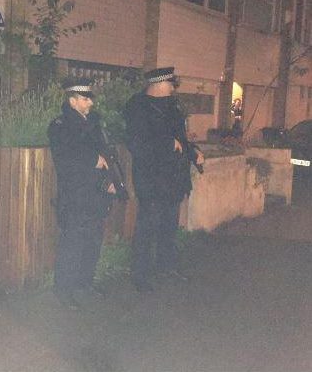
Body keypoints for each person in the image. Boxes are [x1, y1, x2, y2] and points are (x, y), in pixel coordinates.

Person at [124, 67, 204, 292]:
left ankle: (166, 267)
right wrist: (167, 144)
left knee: (168, 228)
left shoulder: (173, 107)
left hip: (173, 180)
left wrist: (193, 151)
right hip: (152, 181)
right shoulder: (137, 107)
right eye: (171, 84)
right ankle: (140, 276)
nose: (173, 88)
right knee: (147, 229)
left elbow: (180, 139)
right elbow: (137, 143)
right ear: (159, 84)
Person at [48, 77, 116, 309]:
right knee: (72, 245)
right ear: (72, 100)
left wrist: (111, 181)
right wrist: (92, 160)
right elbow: (65, 158)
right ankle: (63, 290)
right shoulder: (60, 125)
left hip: (96, 193)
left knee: (93, 242)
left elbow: (107, 155)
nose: (90, 104)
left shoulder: (95, 124)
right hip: (76, 195)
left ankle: (84, 283)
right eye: (86, 99)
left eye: (90, 99)